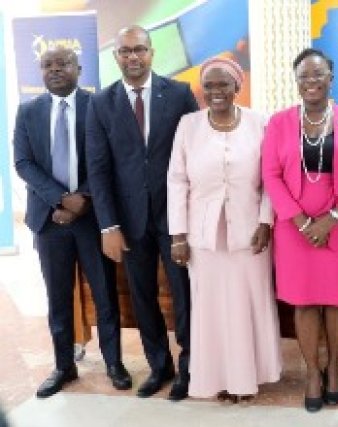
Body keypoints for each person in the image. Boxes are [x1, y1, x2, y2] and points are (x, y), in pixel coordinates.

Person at [86, 25, 199, 401]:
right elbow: (98, 169)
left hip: (176, 218)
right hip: (129, 222)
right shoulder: (101, 103)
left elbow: (195, 155)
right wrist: (109, 225)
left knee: (184, 295)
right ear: (115, 57)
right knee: (142, 295)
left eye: (139, 50)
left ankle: (189, 368)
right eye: (124, 51)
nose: (132, 57)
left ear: (152, 52)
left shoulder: (180, 94)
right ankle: (158, 365)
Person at [12, 46, 131, 398]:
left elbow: (111, 159)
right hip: (49, 220)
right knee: (58, 296)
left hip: (94, 219)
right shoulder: (28, 111)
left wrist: (82, 200)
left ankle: (114, 363)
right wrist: (61, 199)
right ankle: (64, 366)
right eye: (47, 65)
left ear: (78, 68)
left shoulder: (98, 105)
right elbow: (23, 162)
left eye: (62, 64)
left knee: (105, 294)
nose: (54, 70)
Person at [166, 57, 282, 403]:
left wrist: (266, 221)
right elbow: (176, 181)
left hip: (250, 235)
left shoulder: (260, 123)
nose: (216, 91)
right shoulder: (188, 125)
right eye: (210, 86)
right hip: (203, 238)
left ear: (237, 86)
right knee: (211, 310)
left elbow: (269, 180)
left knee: (250, 305)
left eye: (224, 84)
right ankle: (216, 378)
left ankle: (248, 379)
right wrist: (178, 235)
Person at [261, 48, 338, 413]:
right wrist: (301, 220)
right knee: (304, 302)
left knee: (336, 301)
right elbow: (271, 175)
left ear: (330, 78)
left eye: (318, 74)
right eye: (304, 76)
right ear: (296, 81)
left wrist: (333, 217)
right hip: (295, 228)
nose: (311, 82)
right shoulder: (278, 123)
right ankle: (311, 373)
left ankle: (333, 368)